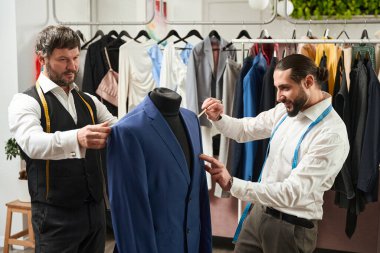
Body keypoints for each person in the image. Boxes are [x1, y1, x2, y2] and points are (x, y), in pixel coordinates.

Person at [199, 54, 350, 253]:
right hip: (259, 213)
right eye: (277, 88)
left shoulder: (331, 134)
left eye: (285, 88)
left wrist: (232, 184)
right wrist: (218, 117)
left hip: (290, 227)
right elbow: (245, 129)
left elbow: (292, 193)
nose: (278, 96)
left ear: (309, 81)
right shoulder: (285, 111)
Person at [8, 25, 117, 253]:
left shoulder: (89, 100)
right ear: (42, 58)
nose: (73, 66)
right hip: (55, 216)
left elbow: (119, 127)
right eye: (63, 59)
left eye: (76, 57)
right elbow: (32, 143)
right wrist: (77, 137)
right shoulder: (25, 101)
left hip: (95, 211)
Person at [107, 88, 212, 253]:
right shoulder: (127, 130)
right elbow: (129, 212)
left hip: (192, 244)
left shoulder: (191, 119)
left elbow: (199, 196)